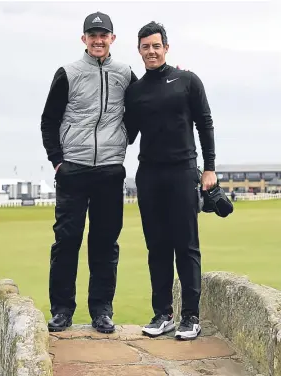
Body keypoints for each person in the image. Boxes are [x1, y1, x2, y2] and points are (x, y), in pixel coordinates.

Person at [41, 11, 137, 333]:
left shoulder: (125, 73)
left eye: (103, 35)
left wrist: (125, 138)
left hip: (110, 171)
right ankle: (62, 310)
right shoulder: (67, 73)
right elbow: (49, 120)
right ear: (84, 39)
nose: (98, 40)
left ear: (112, 38)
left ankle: (101, 310)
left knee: (105, 243)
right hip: (74, 171)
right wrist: (58, 160)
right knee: (66, 242)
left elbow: (141, 108)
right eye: (92, 35)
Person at [124, 22, 217, 340]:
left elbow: (205, 123)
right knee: (157, 247)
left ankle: (190, 316)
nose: (151, 51)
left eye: (156, 46)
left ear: (166, 47)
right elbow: (128, 133)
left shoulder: (187, 81)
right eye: (145, 47)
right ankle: (162, 314)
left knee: (186, 245)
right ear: (139, 50)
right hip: (149, 175)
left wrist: (209, 168)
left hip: (182, 171)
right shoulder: (135, 91)